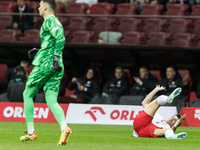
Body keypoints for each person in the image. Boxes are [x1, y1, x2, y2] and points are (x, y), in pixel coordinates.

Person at [19, 0, 71, 145]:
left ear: (46, 7)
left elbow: (60, 38)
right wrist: (41, 51)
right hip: (56, 64)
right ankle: (64, 128)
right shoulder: (53, 22)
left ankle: (31, 132)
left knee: (27, 92)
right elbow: (54, 41)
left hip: (49, 63)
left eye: (40, 5)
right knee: (51, 100)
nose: (38, 7)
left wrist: (53, 59)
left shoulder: (50, 21)